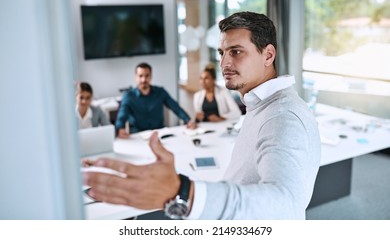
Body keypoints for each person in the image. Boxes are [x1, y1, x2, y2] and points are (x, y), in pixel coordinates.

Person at [83, 12, 321, 220]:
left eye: (236, 51)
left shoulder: (283, 116)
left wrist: (182, 191)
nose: (224, 63)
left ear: (268, 55)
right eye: (221, 52)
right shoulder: (260, 105)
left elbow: (286, 207)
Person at [115, 62, 196, 138]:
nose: (144, 79)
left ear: (151, 76)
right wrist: (120, 128)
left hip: (159, 134)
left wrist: (188, 120)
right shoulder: (128, 96)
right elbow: (122, 114)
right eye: (140, 76)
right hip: (138, 135)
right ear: (136, 77)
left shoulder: (160, 92)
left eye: (147, 76)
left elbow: (175, 107)